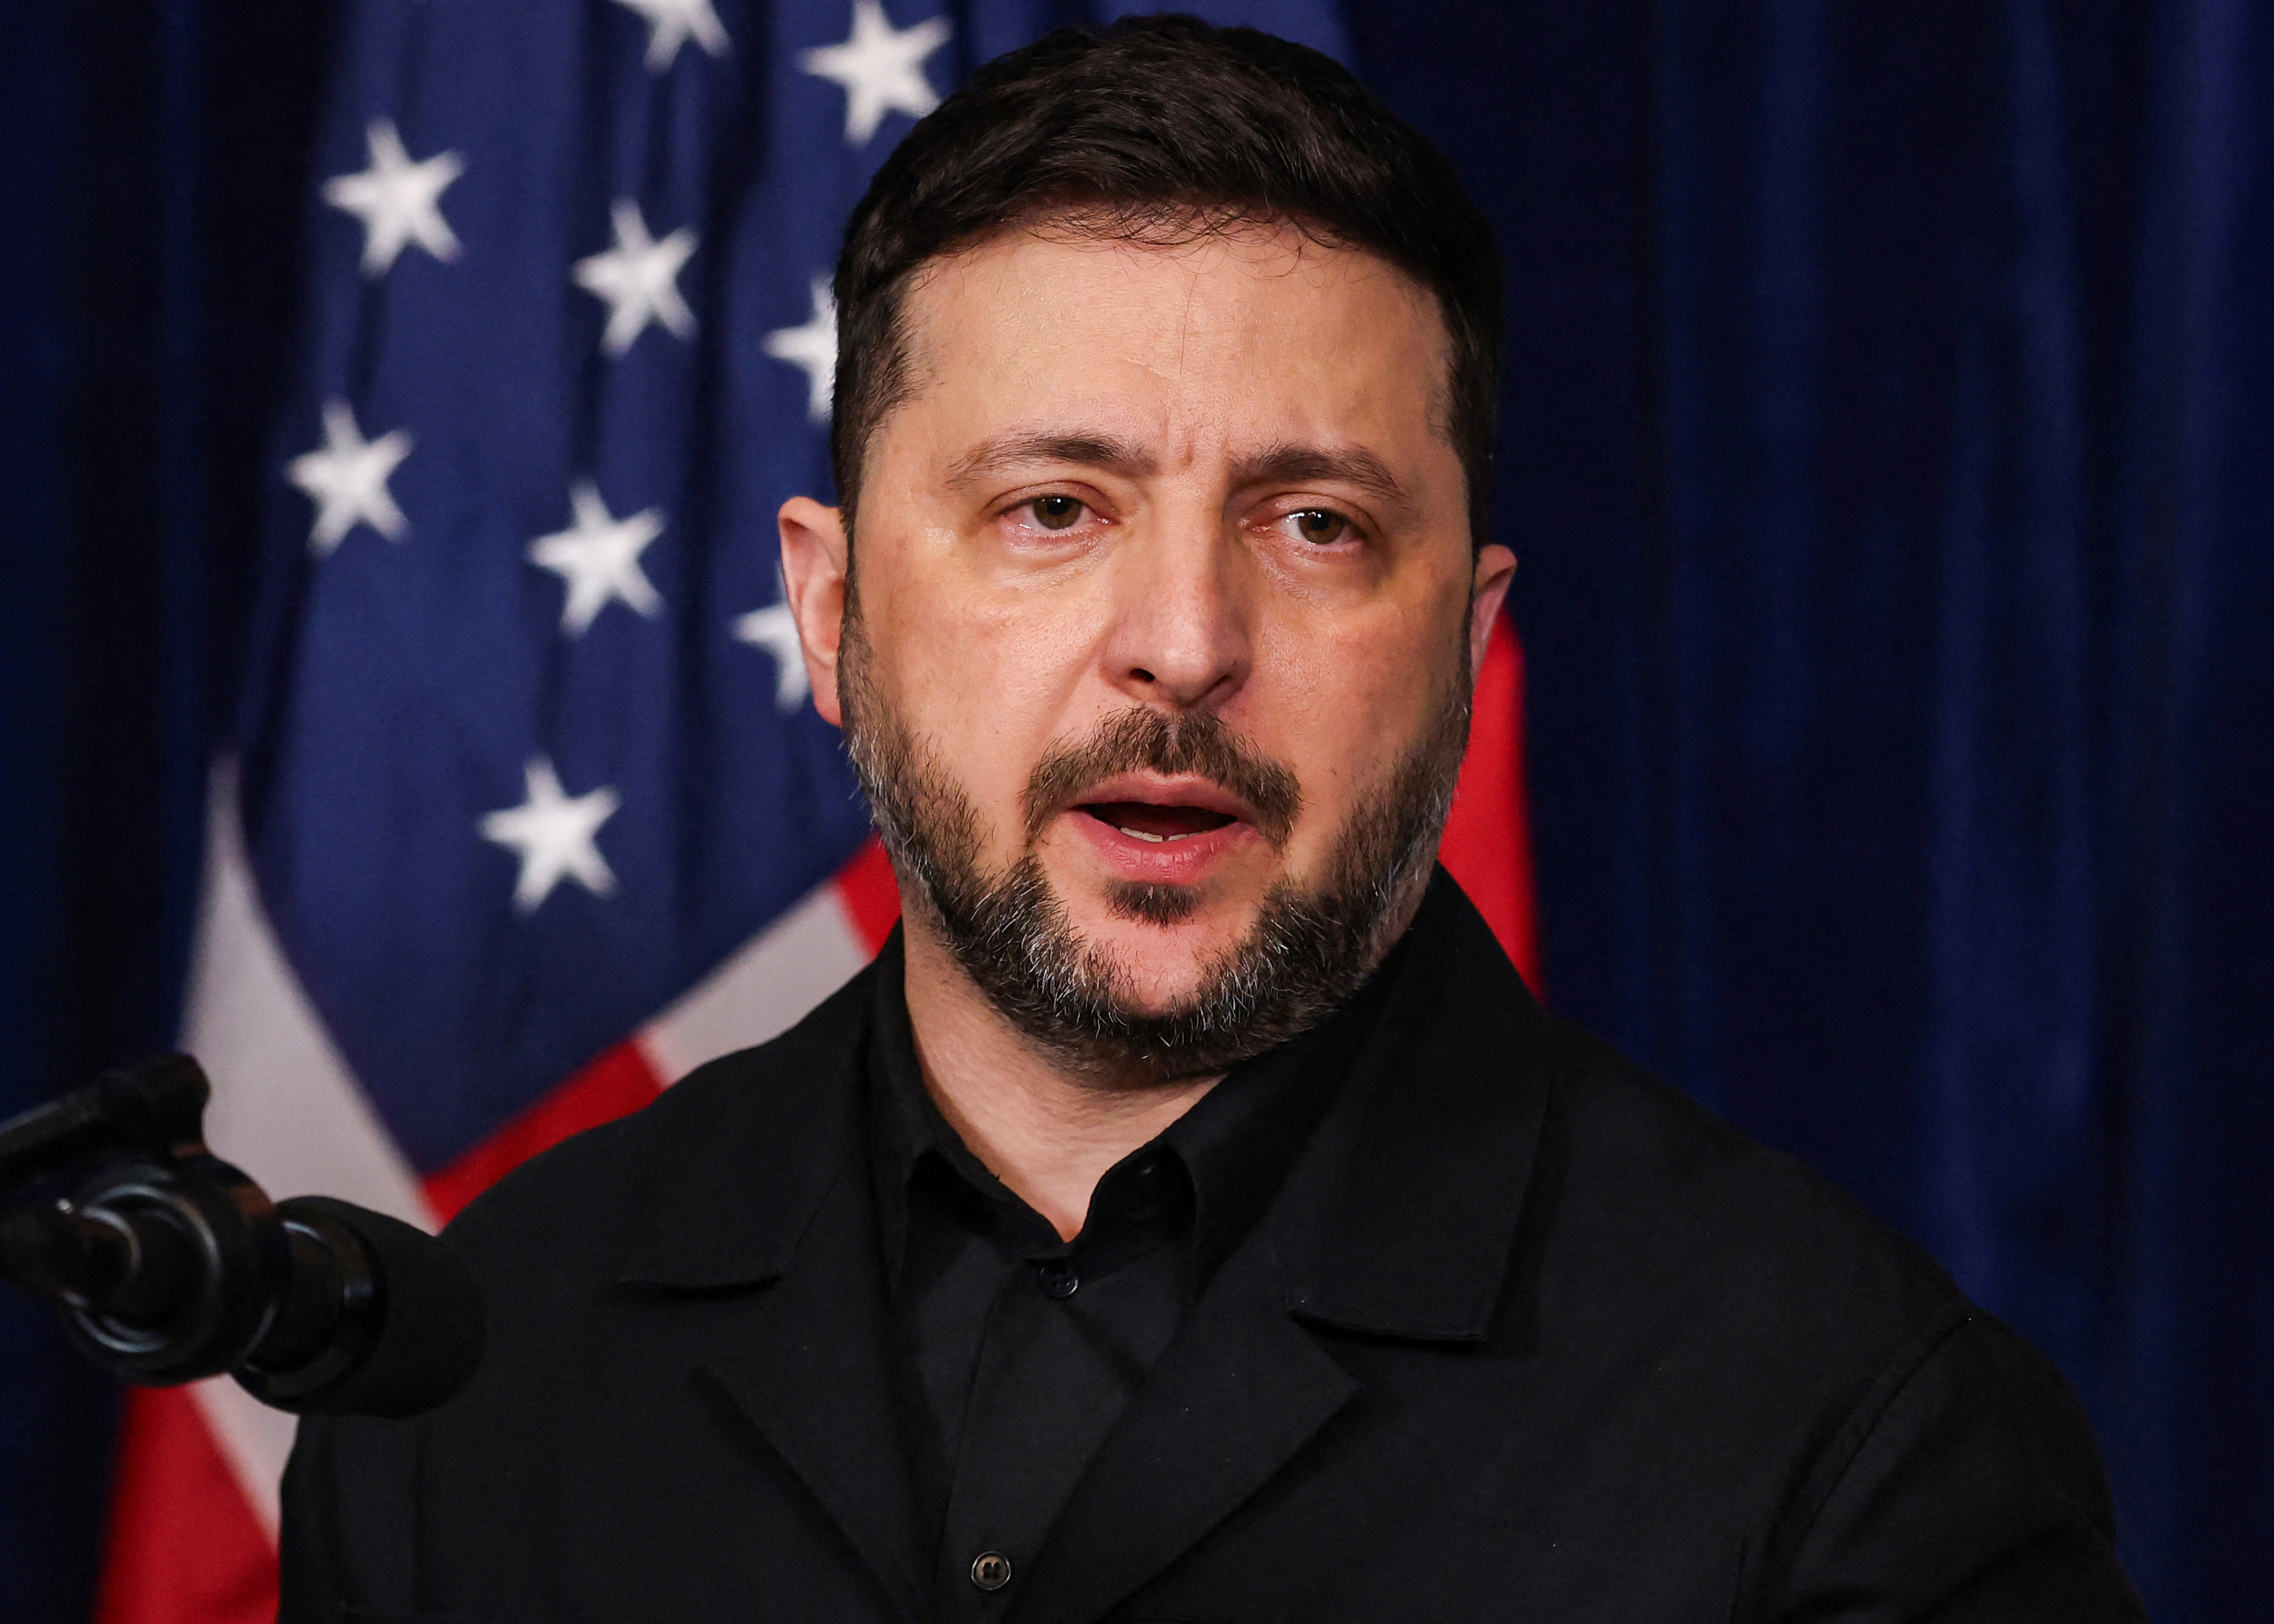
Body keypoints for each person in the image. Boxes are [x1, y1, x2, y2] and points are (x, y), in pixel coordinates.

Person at [281, 17, 2145, 1622]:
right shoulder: (479, 1364)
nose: (1182, 645)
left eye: (1315, 523)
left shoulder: (1850, 1431)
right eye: (1052, 511)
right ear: (831, 612)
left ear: (1472, 644)